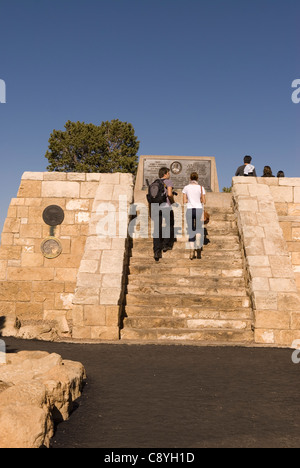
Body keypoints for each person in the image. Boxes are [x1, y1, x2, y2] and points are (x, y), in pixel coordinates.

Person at [151, 167, 175, 262]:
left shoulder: (154, 183)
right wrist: (173, 202)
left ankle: (157, 251)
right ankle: (166, 245)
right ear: (165, 174)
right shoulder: (168, 182)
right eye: (168, 173)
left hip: (156, 207)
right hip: (166, 206)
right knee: (170, 224)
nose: (169, 175)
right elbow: (169, 194)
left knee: (157, 228)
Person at [182, 172, 206, 260]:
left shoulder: (186, 188)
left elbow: (184, 200)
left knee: (191, 229)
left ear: (190, 178)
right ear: (197, 178)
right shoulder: (201, 187)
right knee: (199, 228)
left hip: (189, 209)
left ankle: (192, 248)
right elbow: (204, 200)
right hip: (199, 209)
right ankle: (198, 245)